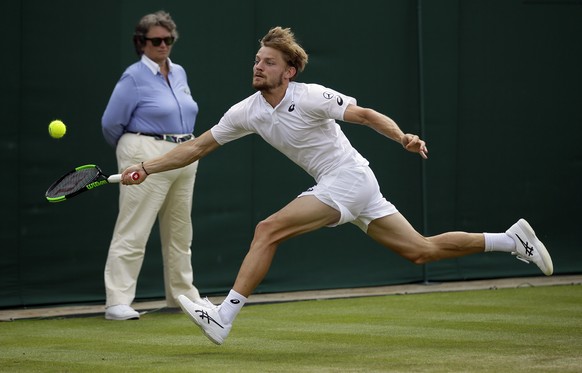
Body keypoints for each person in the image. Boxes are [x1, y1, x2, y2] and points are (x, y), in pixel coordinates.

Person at [120, 27, 553, 340]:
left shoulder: (310, 96)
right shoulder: (247, 111)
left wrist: (401, 136)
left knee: (267, 230)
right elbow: (196, 147)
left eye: (269, 62)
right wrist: (148, 166)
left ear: (288, 72)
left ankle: (224, 318)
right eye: (257, 60)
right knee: (420, 250)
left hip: (348, 178)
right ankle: (511, 241)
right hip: (351, 184)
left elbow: (364, 115)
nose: (259, 66)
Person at [101, 11, 202, 320]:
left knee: (180, 232)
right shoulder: (133, 76)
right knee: (134, 227)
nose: (163, 45)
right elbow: (110, 124)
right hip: (145, 152)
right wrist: (135, 151)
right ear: (141, 43)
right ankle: (117, 301)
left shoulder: (180, 71)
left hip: (185, 153)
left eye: (168, 40)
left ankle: (183, 296)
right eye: (156, 40)